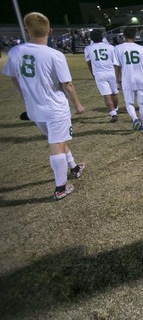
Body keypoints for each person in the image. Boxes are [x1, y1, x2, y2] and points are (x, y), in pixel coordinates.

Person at [2, 12, 85, 200]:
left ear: (26, 30)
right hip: (54, 107)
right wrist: (78, 104)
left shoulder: (16, 51)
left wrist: (25, 97)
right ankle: (60, 188)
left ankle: (74, 167)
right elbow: (67, 84)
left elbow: (14, 76)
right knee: (56, 143)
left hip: (34, 109)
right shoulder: (54, 54)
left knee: (58, 139)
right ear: (50, 31)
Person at [113, 27, 143, 131]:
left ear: (124, 36)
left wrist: (117, 80)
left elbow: (117, 66)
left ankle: (135, 119)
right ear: (135, 36)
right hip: (141, 79)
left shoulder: (118, 48)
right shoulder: (141, 48)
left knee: (129, 103)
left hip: (127, 79)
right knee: (142, 103)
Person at [84, 29, 119, 122]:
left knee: (106, 95)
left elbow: (89, 63)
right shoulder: (111, 47)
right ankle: (115, 109)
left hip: (99, 73)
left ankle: (113, 114)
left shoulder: (88, 49)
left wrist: (93, 74)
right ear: (102, 37)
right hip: (111, 72)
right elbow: (115, 62)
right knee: (114, 93)